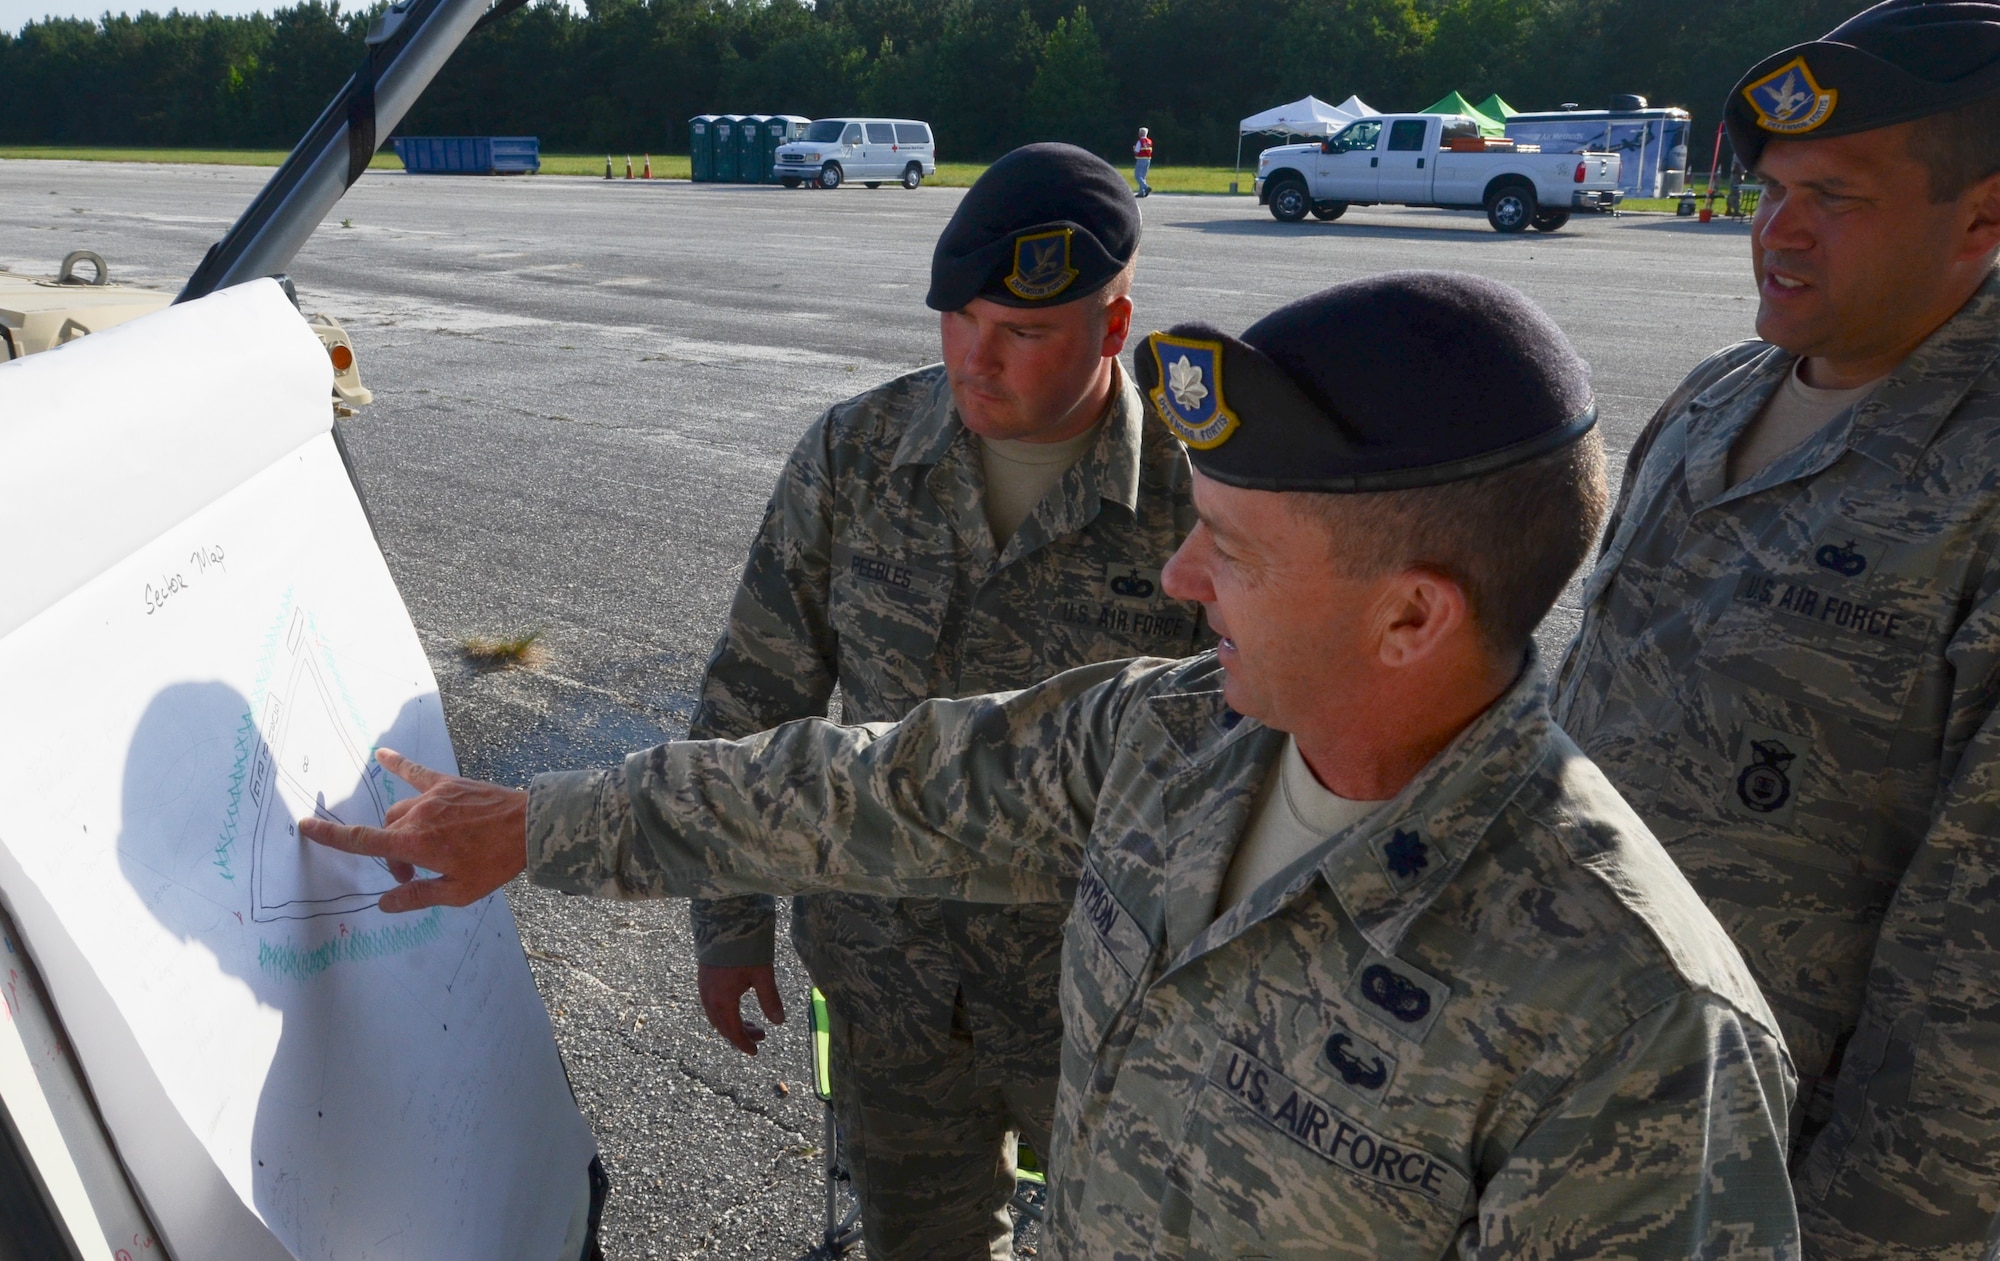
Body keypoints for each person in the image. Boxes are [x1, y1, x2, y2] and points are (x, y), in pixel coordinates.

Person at [305, 271, 1801, 1258]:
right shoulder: (1171, 743)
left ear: (1412, 614)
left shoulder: (1632, 1019)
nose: (1179, 583)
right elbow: (858, 788)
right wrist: (531, 826)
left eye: (1229, 550)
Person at [686, 141, 1209, 1260]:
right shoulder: (857, 455)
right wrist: (729, 921)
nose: (977, 358)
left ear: (1111, 330)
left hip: (1109, 1008)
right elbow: (753, 692)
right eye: (959, 319)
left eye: (1022, 333)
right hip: (891, 995)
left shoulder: (1199, 491)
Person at [1552, 0, 2000, 1257]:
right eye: (1769, 191)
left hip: (1773, 1186)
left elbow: (1972, 978)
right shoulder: (1712, 401)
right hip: (1567, 1116)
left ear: (1985, 211)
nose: (1777, 233)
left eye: (1835, 200)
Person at [1132, 127, 1153, 198]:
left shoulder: (1140, 141)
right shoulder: (1149, 141)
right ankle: (1141, 192)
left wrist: (1134, 149)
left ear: (1141, 133)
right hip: (1148, 159)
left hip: (1141, 159)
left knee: (1137, 176)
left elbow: (1137, 151)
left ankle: (1146, 187)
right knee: (1143, 176)